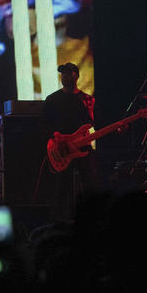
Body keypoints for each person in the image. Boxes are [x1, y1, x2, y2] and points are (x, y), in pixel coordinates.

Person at [40, 61, 96, 222]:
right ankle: (58, 222)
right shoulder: (52, 100)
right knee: (61, 189)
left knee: (90, 185)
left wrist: (117, 127)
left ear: (76, 76)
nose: (65, 77)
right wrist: (54, 135)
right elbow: (43, 123)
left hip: (83, 148)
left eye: (68, 73)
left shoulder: (86, 100)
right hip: (61, 149)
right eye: (63, 74)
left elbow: (96, 122)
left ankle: (90, 220)